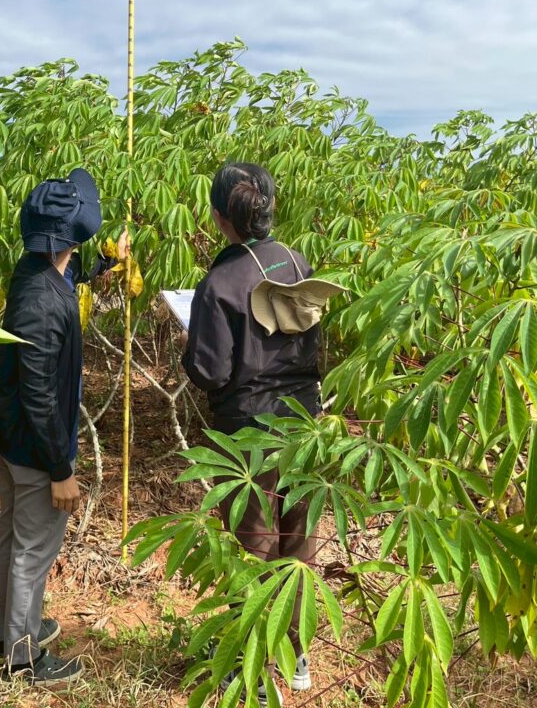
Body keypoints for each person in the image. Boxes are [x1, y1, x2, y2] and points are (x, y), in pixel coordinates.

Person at [182, 162, 322, 700]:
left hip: (247, 432)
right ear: (269, 206)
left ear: (220, 217)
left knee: (254, 542)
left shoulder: (219, 283)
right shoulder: (295, 260)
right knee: (297, 538)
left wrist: (189, 345)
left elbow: (210, 371)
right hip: (304, 421)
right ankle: (296, 651)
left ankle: (254, 668)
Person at [0, 167, 125, 685]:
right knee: (33, 549)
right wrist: (60, 469)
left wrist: (108, 263)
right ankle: (20, 660)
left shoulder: (36, 268)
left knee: (14, 537)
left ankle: (12, 631)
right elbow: (39, 396)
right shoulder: (43, 305)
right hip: (33, 444)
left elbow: (70, 275)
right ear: (74, 234)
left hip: (10, 432)